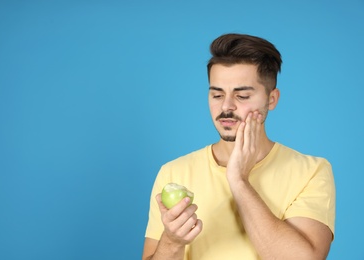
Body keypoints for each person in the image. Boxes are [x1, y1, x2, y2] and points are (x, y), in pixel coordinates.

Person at [142, 33, 335, 260]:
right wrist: (172, 242)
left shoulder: (311, 171)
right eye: (216, 94)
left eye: (242, 96)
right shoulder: (173, 172)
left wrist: (239, 180)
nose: (226, 106)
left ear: (271, 99)